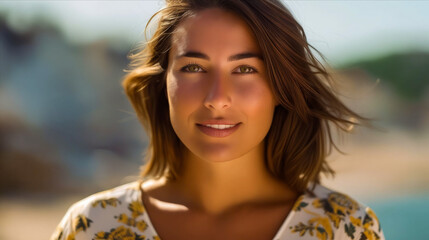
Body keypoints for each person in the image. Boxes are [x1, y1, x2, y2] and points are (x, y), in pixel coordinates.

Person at [51, 0, 384, 239]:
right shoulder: (93, 226)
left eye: (244, 69)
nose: (217, 98)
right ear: (162, 82)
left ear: (280, 88)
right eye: (194, 68)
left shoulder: (345, 227)